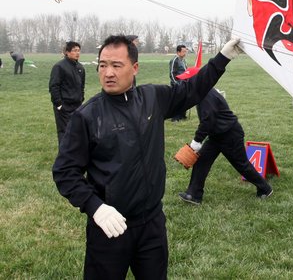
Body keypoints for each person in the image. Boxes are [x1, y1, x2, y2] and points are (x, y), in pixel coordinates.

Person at [52, 34, 240, 279]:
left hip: (151, 223)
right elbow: (65, 172)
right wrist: (96, 208)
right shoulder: (87, 116)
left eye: (116, 65)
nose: (108, 73)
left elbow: (193, 90)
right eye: (103, 65)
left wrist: (222, 58)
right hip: (109, 226)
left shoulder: (153, 98)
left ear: (135, 68)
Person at [175, 88, 273, 205]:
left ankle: (265, 189)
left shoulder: (206, 95)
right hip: (216, 135)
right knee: (201, 161)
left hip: (230, 134)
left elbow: (208, 120)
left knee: (241, 165)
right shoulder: (202, 92)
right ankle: (194, 195)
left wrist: (196, 141)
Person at [49, 41, 86, 145]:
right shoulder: (59, 67)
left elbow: (81, 85)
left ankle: (75, 153)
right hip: (64, 106)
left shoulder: (80, 68)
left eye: (79, 50)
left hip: (77, 105)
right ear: (67, 52)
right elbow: (54, 86)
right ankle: (64, 156)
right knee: (64, 132)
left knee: (77, 131)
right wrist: (59, 104)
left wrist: (81, 98)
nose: (77, 53)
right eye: (74, 50)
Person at [169, 44, 188, 121]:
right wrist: (176, 84)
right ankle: (175, 117)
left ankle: (182, 115)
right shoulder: (174, 60)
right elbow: (172, 73)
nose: (185, 53)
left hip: (184, 83)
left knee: (184, 100)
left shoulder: (184, 61)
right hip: (177, 84)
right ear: (178, 52)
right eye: (183, 51)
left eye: (185, 51)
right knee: (176, 101)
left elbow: (185, 71)